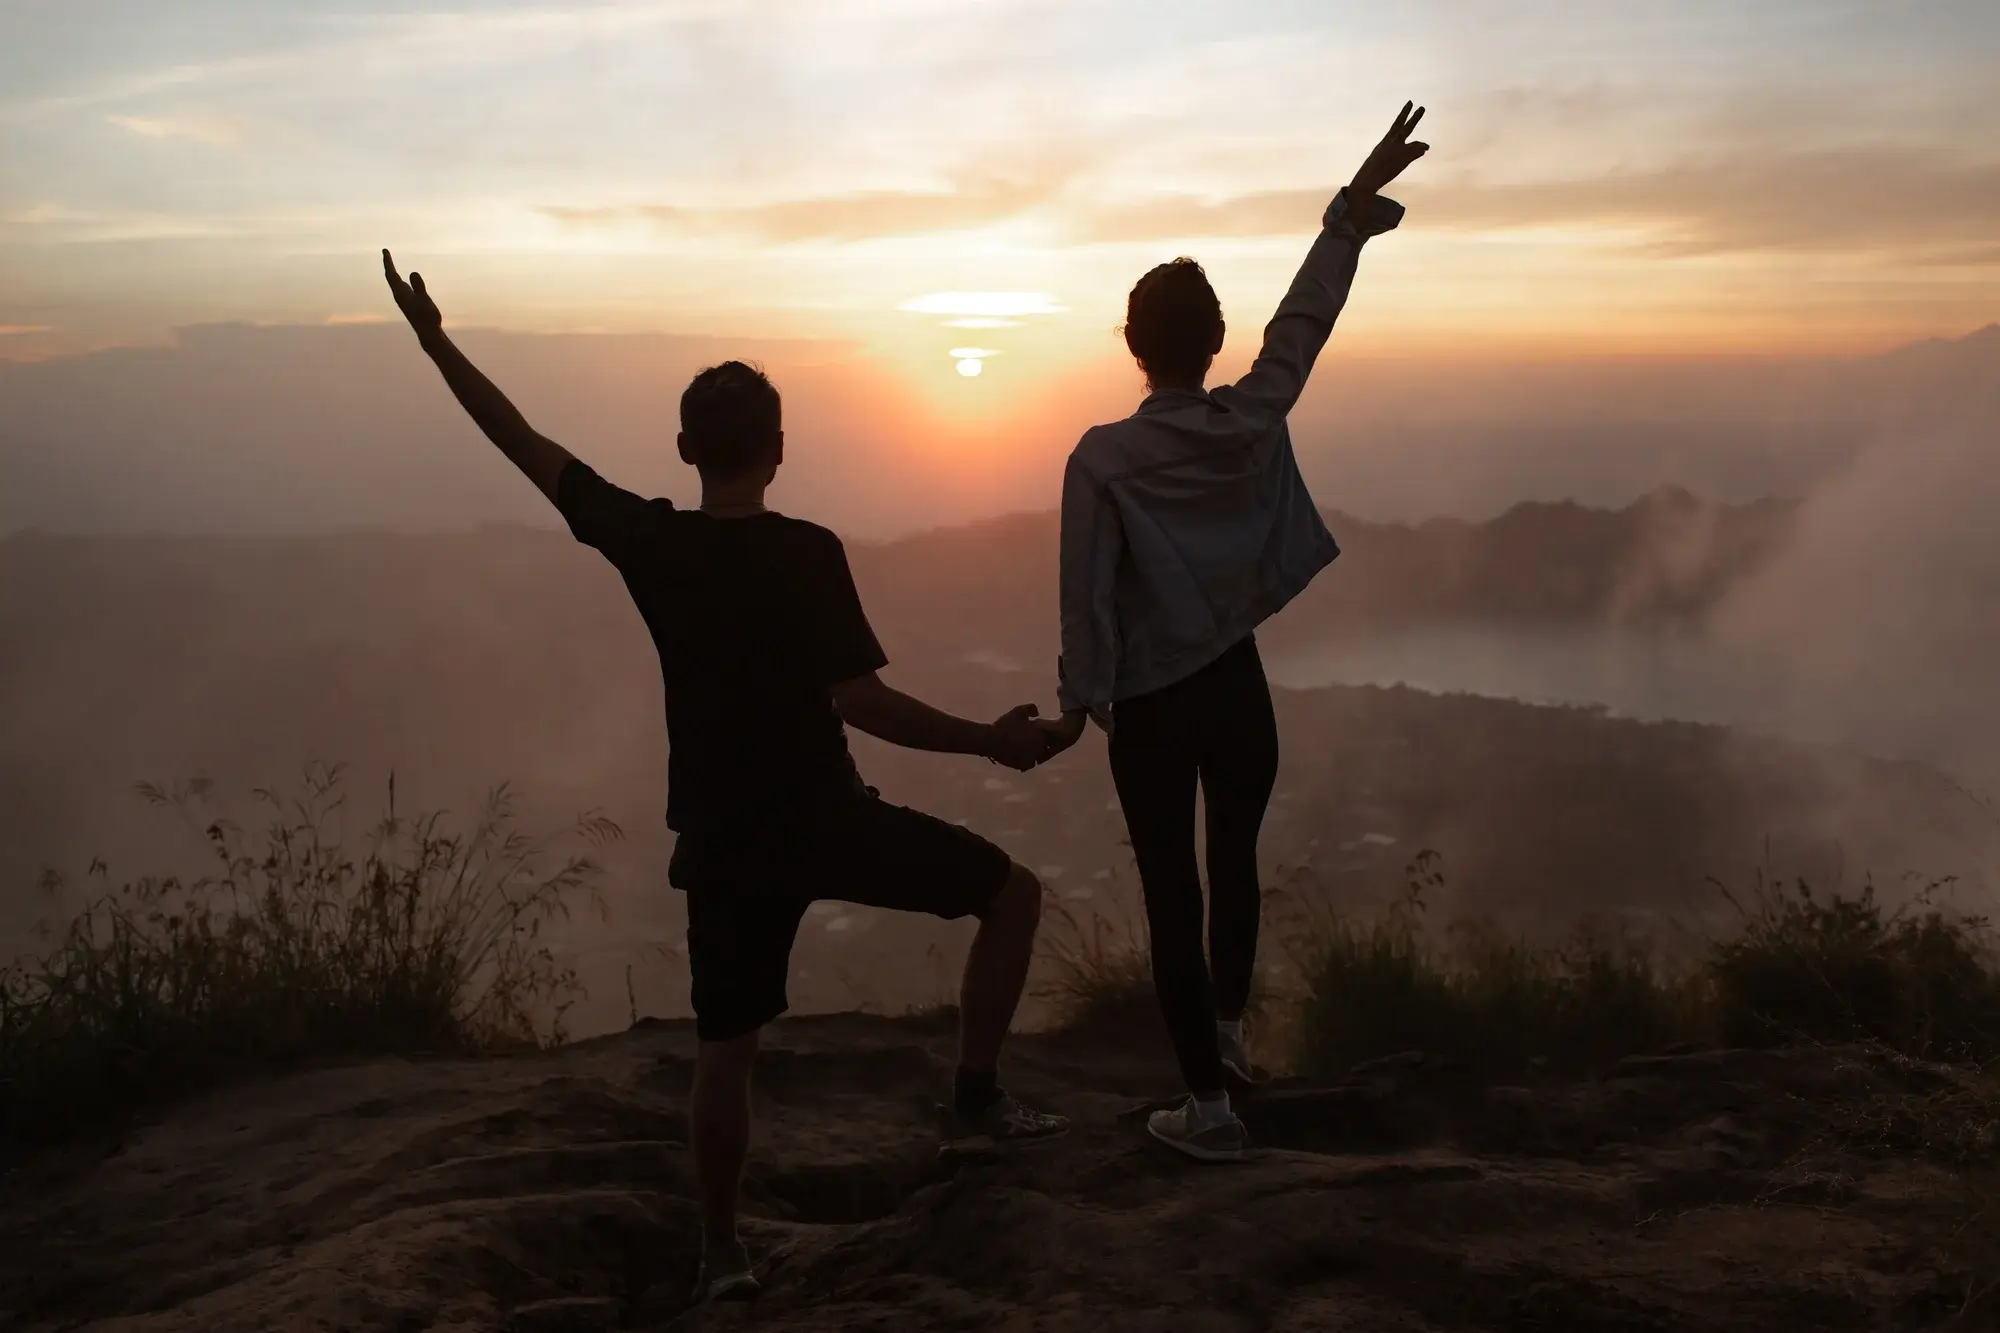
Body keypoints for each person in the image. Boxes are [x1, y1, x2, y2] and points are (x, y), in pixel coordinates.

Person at [380, 258, 1069, 1299]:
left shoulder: (653, 542)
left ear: (684, 451)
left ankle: (721, 1253)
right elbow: (862, 703)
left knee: (724, 1053)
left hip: (724, 839)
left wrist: (436, 342)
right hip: (826, 819)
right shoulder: (807, 551)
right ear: (779, 451)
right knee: (1007, 894)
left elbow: (526, 446)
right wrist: (990, 740)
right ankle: (974, 1099)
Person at [1036, 103, 1431, 1162]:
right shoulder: (1249, 418)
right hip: (1237, 689)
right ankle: (1225, 1040)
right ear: (1212, 342)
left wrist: (1082, 701)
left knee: (1172, 884)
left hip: (1157, 704)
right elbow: (1300, 329)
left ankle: (1206, 1107)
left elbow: (1083, 599)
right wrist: (1343, 218)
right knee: (1234, 861)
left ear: (1132, 346)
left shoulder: (1101, 459)